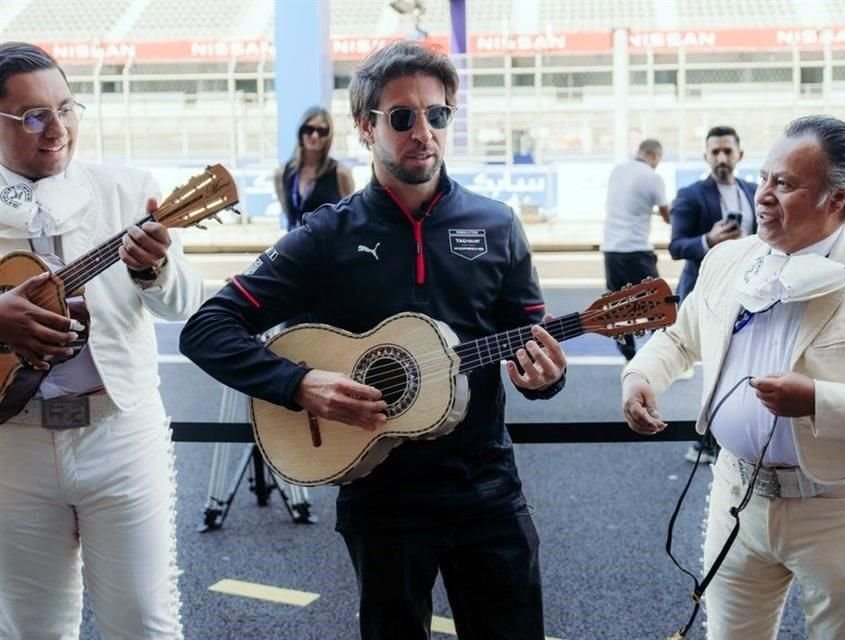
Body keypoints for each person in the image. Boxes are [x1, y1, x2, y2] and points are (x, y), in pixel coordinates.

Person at [179, 40, 567, 640]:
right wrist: (300, 385)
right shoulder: (327, 235)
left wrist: (547, 378)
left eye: (437, 115)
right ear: (366, 127)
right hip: (379, 493)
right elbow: (207, 328)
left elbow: (534, 347)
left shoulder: (496, 224)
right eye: (403, 117)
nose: (424, 132)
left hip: (485, 486)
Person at [621, 115, 845, 640]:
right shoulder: (726, 261)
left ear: (837, 198)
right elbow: (682, 337)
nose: (763, 196)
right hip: (735, 495)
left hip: (840, 509)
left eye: (786, 184)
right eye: (765, 178)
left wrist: (818, 400)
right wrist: (642, 376)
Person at [0, 42, 202, 639]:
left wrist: (153, 270)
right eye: (34, 115)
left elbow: (184, 302)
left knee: (143, 621)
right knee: (29, 629)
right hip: (12, 443)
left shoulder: (126, 190)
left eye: (67, 107)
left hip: (119, 432)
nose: (57, 128)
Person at [669, 126, 757, 464]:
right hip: (707, 294)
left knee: (743, 367)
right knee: (716, 368)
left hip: (750, 294)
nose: (722, 158)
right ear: (706, 156)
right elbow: (677, 246)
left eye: (727, 151)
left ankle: (734, 437)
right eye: (715, 152)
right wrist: (709, 240)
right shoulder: (691, 195)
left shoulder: (752, 190)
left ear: (739, 154)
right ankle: (704, 440)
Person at [601, 138, 670, 360]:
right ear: (655, 156)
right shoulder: (652, 177)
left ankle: (629, 357)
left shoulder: (617, 171)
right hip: (637, 251)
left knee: (617, 308)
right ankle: (661, 354)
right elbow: (668, 217)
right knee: (659, 303)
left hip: (611, 250)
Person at [274, 105, 355, 229]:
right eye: (309, 129)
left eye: (322, 131)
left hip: (328, 245)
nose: (315, 136)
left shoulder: (340, 173)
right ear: (300, 132)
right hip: (294, 245)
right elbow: (289, 215)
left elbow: (350, 217)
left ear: (329, 135)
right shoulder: (282, 173)